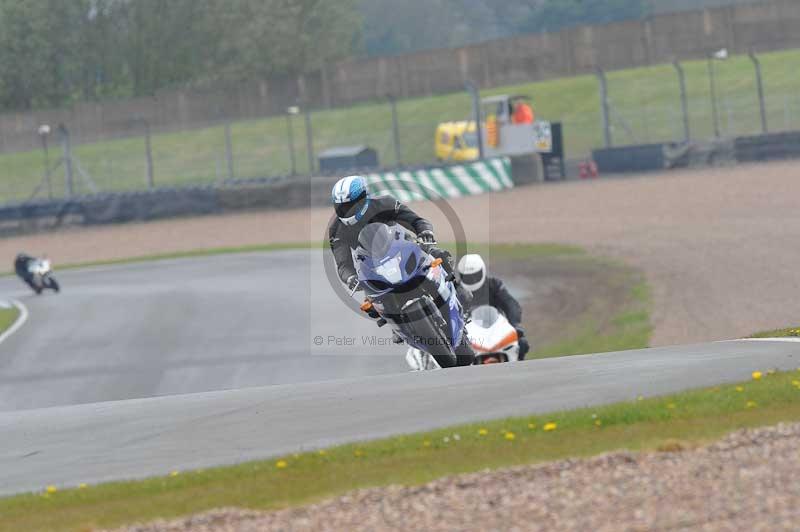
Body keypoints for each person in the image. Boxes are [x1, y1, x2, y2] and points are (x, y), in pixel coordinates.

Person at [328, 175, 474, 367]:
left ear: (363, 198)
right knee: (372, 305)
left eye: (350, 206)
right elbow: (342, 263)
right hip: (371, 265)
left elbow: (415, 220)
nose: (346, 211)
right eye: (341, 207)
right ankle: (396, 326)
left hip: (401, 246)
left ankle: (459, 293)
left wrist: (424, 231)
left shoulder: (384, 203)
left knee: (438, 256)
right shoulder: (336, 229)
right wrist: (350, 279)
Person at [457, 254, 530, 360]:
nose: (472, 280)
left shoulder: (494, 285)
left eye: (475, 275)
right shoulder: (456, 290)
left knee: (522, 344)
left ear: (482, 271)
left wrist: (515, 324)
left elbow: (511, 304)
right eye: (468, 277)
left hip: (495, 328)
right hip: (468, 333)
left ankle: (520, 369)